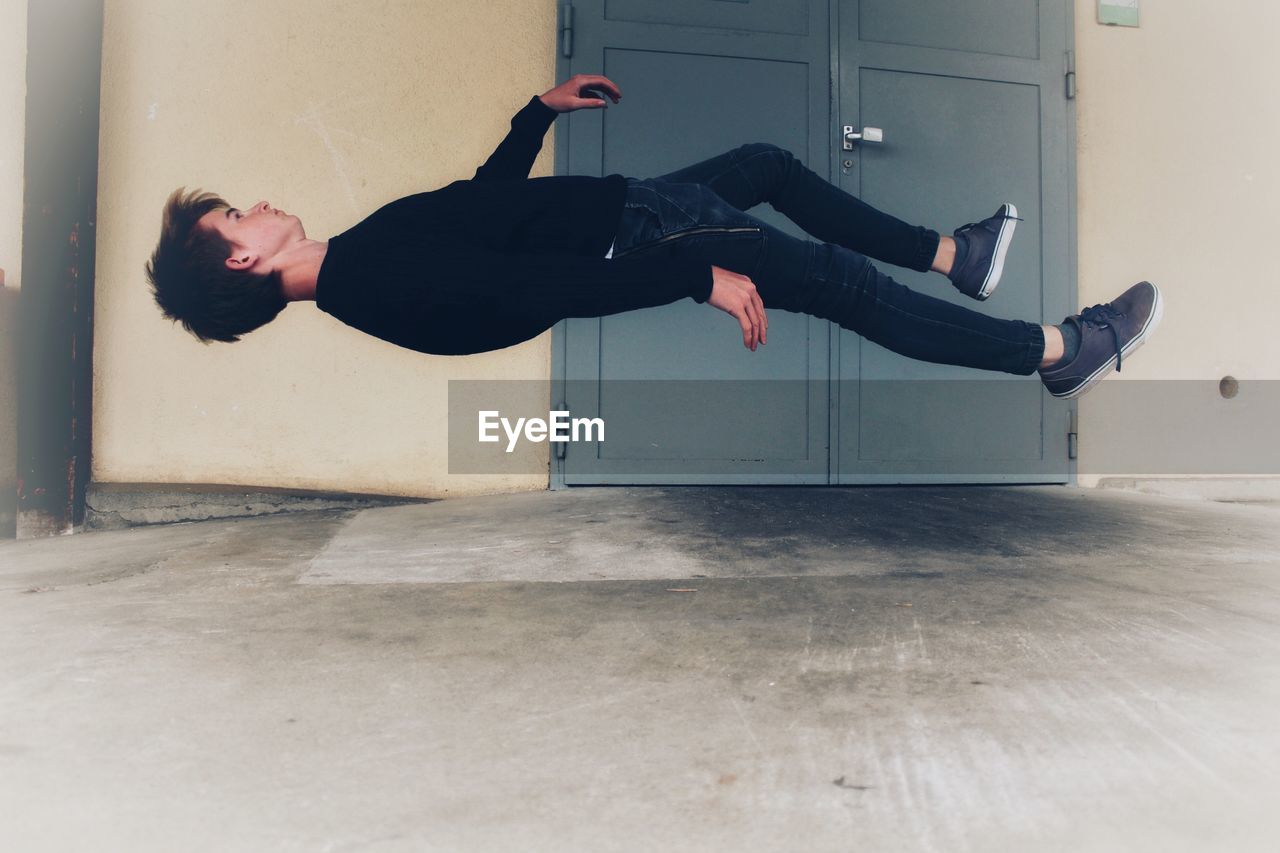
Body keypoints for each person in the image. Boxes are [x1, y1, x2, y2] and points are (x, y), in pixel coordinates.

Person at [146, 74, 1162, 400]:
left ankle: (955, 256)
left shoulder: (360, 267)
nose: (262, 204)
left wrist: (534, 115)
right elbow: (530, 293)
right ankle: (1058, 350)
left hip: (632, 211)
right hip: (644, 231)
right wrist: (690, 275)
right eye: (240, 216)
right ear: (244, 258)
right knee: (844, 287)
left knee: (765, 163)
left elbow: (479, 210)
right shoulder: (368, 279)